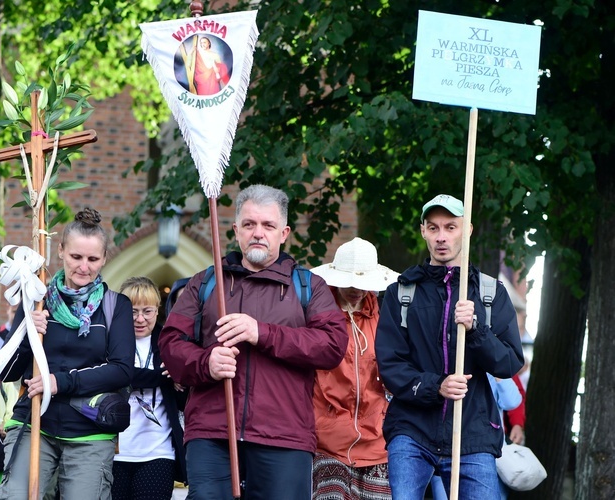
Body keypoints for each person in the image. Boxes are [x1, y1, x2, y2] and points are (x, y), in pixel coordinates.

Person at [159, 184, 349, 499]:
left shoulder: (309, 287)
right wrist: (206, 363)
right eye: (249, 224)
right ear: (236, 230)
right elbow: (170, 344)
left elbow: (332, 345)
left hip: (284, 436)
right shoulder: (206, 283)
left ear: (284, 232)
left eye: (268, 225)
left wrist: (262, 333)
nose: (257, 232)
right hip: (212, 433)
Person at [375, 194, 524, 499]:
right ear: (423, 231)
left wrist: (476, 330)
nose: (441, 237)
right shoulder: (401, 293)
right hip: (411, 431)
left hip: (473, 435)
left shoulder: (490, 293)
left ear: (467, 229)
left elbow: (509, 363)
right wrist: (436, 385)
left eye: (450, 227)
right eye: (433, 228)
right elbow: (390, 365)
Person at [0, 208, 135, 500]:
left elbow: (122, 370)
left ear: (105, 258)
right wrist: (26, 334)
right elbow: (7, 373)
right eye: (76, 257)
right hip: (35, 423)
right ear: (60, 251)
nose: (84, 267)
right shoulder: (36, 298)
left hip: (89, 431)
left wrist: (59, 382)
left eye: (93, 259)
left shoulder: (115, 306)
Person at [310, 237, 398, 500]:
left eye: (363, 283)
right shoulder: (316, 315)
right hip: (325, 439)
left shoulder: (386, 318)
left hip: (377, 441)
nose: (356, 289)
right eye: (349, 282)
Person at [111, 276, 187, 500]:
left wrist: (180, 379)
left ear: (157, 310)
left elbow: (182, 394)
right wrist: (162, 377)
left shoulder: (169, 343)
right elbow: (120, 376)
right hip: (114, 452)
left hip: (158, 451)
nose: (140, 319)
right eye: (133, 311)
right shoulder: (109, 341)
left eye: (147, 311)